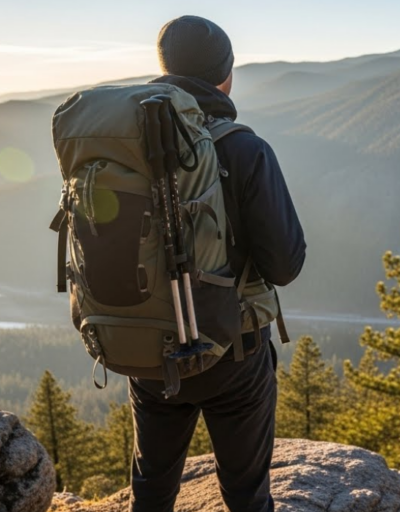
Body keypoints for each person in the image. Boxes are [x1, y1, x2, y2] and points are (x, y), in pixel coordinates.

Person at [128, 15, 306, 512]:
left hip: (147, 347)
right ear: (225, 76)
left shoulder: (127, 144)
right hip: (232, 352)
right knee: (247, 495)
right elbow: (286, 265)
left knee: (152, 489)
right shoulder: (243, 148)